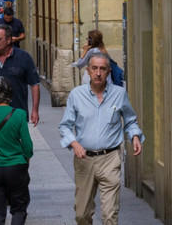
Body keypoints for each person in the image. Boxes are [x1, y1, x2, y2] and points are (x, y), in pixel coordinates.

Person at [58, 52, 144, 225]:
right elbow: (65, 126)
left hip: (110, 158)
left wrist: (134, 136)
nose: (98, 73)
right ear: (88, 71)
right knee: (82, 214)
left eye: (102, 69)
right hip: (84, 160)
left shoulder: (119, 94)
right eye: (94, 68)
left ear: (109, 71)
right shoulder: (76, 95)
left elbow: (130, 120)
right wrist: (74, 143)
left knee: (109, 215)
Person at [0, 77, 33, 225]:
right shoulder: (19, 114)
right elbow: (27, 145)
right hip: (15, 166)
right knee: (19, 207)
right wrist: (26, 159)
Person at [0, 24, 41, 126]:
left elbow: (34, 85)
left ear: (8, 40)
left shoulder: (24, 57)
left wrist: (35, 110)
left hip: (17, 114)